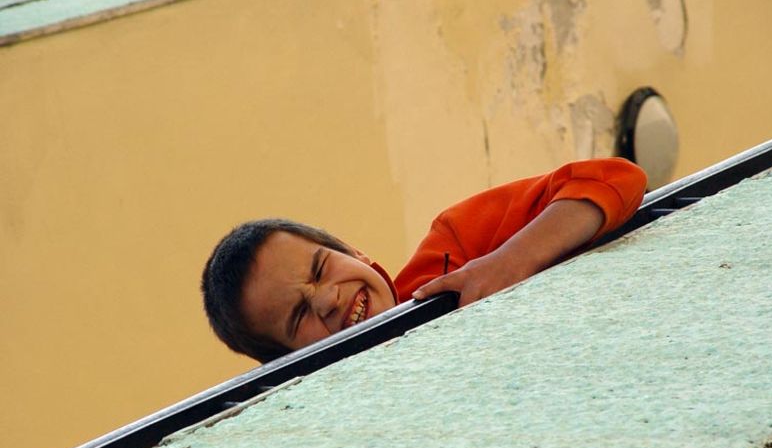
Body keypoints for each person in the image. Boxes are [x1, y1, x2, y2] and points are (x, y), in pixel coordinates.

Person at [202, 157, 646, 362]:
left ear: (358, 255)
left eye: (321, 268)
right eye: (299, 315)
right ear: (290, 362)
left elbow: (615, 178)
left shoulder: (454, 256)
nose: (327, 299)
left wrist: (512, 260)